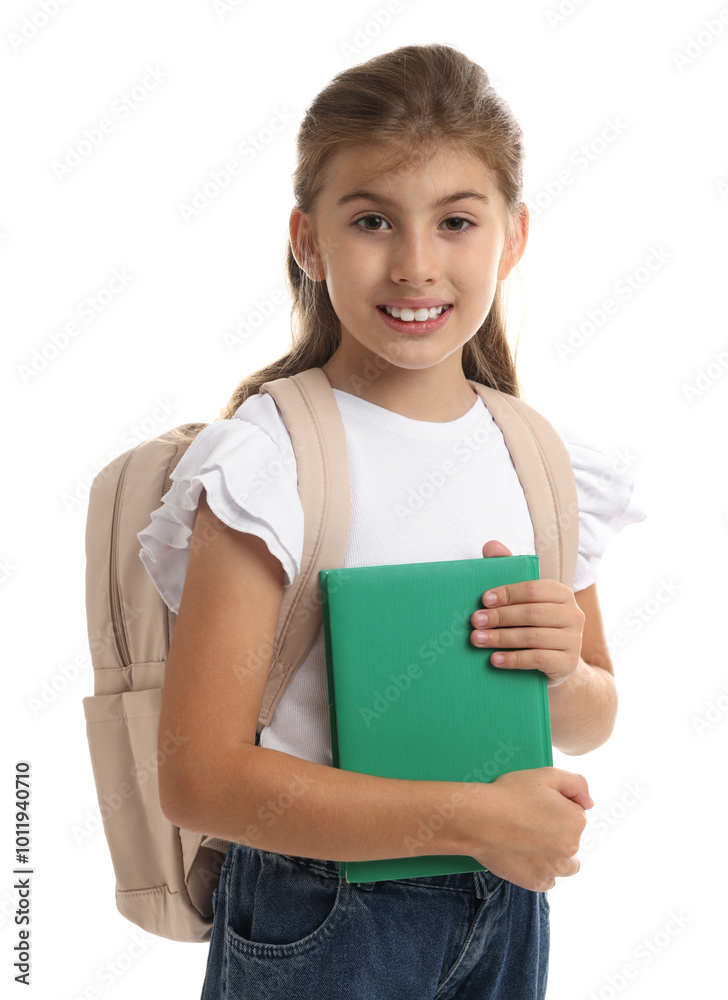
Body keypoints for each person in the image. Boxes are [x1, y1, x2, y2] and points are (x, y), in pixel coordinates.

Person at [137, 42, 646, 1000]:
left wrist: (564, 667)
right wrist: (474, 819)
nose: (417, 265)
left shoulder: (537, 455)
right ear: (308, 240)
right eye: (372, 220)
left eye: (457, 221)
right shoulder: (271, 460)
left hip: (507, 900)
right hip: (320, 908)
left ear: (513, 237)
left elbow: (592, 716)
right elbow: (198, 779)